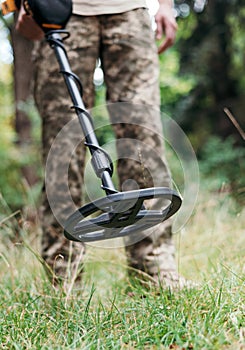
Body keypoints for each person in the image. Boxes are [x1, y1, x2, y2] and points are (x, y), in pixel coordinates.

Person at [16, 0, 188, 289]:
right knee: (62, 145)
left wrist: (166, 5)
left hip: (130, 10)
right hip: (61, 11)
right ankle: (63, 278)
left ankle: (154, 271)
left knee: (143, 137)